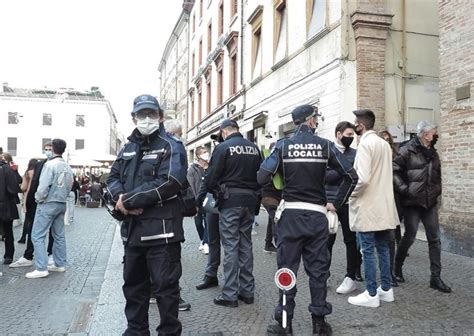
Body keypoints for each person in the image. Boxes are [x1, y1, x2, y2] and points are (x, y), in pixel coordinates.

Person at [258, 105, 358, 335]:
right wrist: (337, 202)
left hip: (290, 216)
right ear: (311, 121)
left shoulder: (283, 146)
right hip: (316, 217)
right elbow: (351, 176)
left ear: (296, 123)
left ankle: (285, 324)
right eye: (316, 119)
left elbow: (262, 176)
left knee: (286, 270)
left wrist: (278, 194)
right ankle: (319, 325)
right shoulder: (326, 146)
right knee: (318, 271)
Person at [106, 94, 188, 335]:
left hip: (163, 234)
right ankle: (135, 331)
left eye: (151, 114)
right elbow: (111, 179)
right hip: (133, 232)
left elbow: (171, 181)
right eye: (141, 114)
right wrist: (120, 201)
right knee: (133, 288)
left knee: (166, 289)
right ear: (133, 118)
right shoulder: (127, 148)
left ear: (160, 116)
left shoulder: (171, 145)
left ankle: (169, 332)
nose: (146, 118)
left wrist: (129, 200)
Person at [202, 118, 262, 308]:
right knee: (246, 245)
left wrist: (206, 196)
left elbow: (210, 178)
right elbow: (261, 176)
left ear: (223, 131)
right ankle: (247, 291)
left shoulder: (223, 148)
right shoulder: (254, 148)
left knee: (230, 246)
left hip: (230, 202)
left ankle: (230, 294)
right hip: (249, 201)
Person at [347, 109, 399, 308]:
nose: (354, 127)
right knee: (383, 248)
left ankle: (370, 293)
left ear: (361, 125)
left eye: (355, 124)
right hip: (383, 205)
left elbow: (362, 178)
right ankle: (386, 289)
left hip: (368, 206)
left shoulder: (366, 144)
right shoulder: (384, 144)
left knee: (367, 250)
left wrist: (351, 194)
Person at [393, 121, 451, 293]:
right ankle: (397, 268)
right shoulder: (407, 150)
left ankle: (435, 278)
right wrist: (405, 189)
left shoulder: (433, 152)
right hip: (412, 202)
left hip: (430, 202)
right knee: (409, 237)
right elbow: (394, 171)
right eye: (433, 132)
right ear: (425, 134)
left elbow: (437, 173)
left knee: (435, 239)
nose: (435, 135)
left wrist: (437, 190)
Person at [26, 139, 74, 279]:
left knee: (37, 235)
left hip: (48, 203)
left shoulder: (49, 165)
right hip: (61, 202)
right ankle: (59, 263)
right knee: (59, 235)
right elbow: (70, 185)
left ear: (52, 149)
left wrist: (38, 198)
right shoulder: (67, 166)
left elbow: (43, 187)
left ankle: (41, 267)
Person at [325, 121, 362, 294]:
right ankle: (323, 274)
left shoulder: (355, 153)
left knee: (351, 240)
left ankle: (350, 277)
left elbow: (356, 178)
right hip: (329, 203)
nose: (351, 138)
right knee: (327, 241)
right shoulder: (327, 151)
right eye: (348, 135)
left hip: (348, 202)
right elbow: (324, 177)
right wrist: (344, 171)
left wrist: (343, 173)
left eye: (353, 135)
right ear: (339, 134)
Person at [10, 143, 56, 268]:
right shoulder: (40, 165)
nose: (47, 151)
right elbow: (33, 185)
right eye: (46, 149)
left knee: (53, 230)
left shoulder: (57, 165)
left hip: (50, 202)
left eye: (50, 149)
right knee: (33, 230)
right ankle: (28, 255)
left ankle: (51, 254)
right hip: (37, 202)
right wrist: (29, 202)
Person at [194, 136, 223, 291]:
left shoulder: (221, 157)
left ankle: (233, 281)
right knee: (213, 241)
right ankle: (211, 275)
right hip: (212, 206)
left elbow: (209, 183)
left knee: (230, 244)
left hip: (223, 204)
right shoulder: (199, 168)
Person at [378, 130, 403, 287]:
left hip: (395, 201)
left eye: (389, 140)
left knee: (391, 238)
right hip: (378, 201)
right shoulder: (376, 159)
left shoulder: (396, 159)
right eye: (384, 140)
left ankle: (392, 272)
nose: (387, 143)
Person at [187, 147, 210, 254]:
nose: (207, 153)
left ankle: (206, 242)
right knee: (198, 223)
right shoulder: (193, 169)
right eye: (204, 152)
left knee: (208, 222)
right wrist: (193, 201)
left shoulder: (210, 167)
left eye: (206, 152)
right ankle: (202, 239)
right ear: (198, 156)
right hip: (197, 200)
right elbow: (190, 185)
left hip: (209, 201)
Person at [0, 153, 22, 264]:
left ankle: (8, 255)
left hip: (5, 205)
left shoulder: (7, 169)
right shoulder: (6, 169)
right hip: (6, 205)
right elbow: (14, 188)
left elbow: (16, 184)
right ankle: (8, 255)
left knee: (8, 232)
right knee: (8, 232)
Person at [261, 143, 281, 253]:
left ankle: (268, 244)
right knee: (276, 220)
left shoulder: (267, 161)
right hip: (270, 195)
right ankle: (280, 245)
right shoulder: (272, 162)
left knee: (271, 219)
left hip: (269, 195)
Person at [18, 158, 38, 244]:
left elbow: (23, 187)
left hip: (28, 197)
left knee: (27, 219)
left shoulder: (27, 173)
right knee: (35, 219)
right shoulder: (39, 173)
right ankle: (33, 237)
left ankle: (23, 237)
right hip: (37, 197)